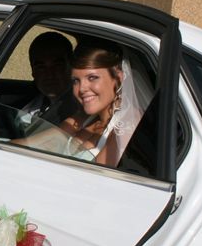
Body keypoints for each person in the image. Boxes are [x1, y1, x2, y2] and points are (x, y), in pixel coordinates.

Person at [16, 39, 142, 167]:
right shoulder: (82, 118)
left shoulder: (129, 122)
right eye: (76, 80)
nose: (82, 89)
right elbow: (31, 145)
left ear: (118, 78)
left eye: (92, 78)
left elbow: (100, 179)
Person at [20, 31, 80, 125]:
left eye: (57, 65)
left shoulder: (80, 108)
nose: (49, 74)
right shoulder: (33, 104)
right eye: (41, 67)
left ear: (71, 66)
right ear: (33, 72)